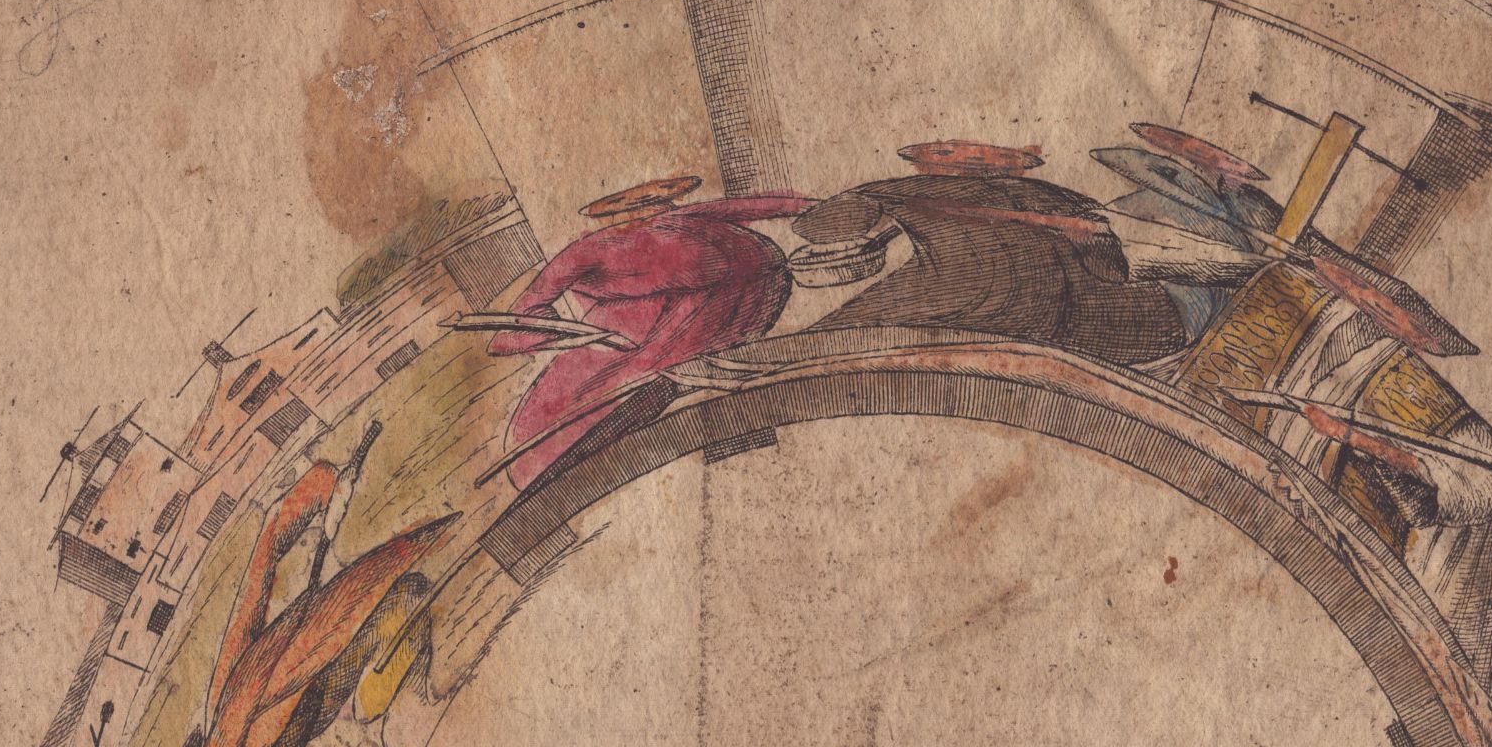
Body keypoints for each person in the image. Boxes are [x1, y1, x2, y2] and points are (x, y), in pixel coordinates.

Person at [489, 174, 813, 487]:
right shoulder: (610, 244)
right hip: (724, 320)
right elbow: (512, 330)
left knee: (548, 435)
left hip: (690, 334)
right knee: (545, 437)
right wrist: (575, 337)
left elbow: (512, 331)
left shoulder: (645, 233)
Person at [787, 141, 1190, 366]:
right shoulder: (1067, 200)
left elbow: (813, 227)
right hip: (1107, 339)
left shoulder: (893, 192)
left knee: (823, 343)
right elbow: (1112, 268)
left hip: (1000, 324)